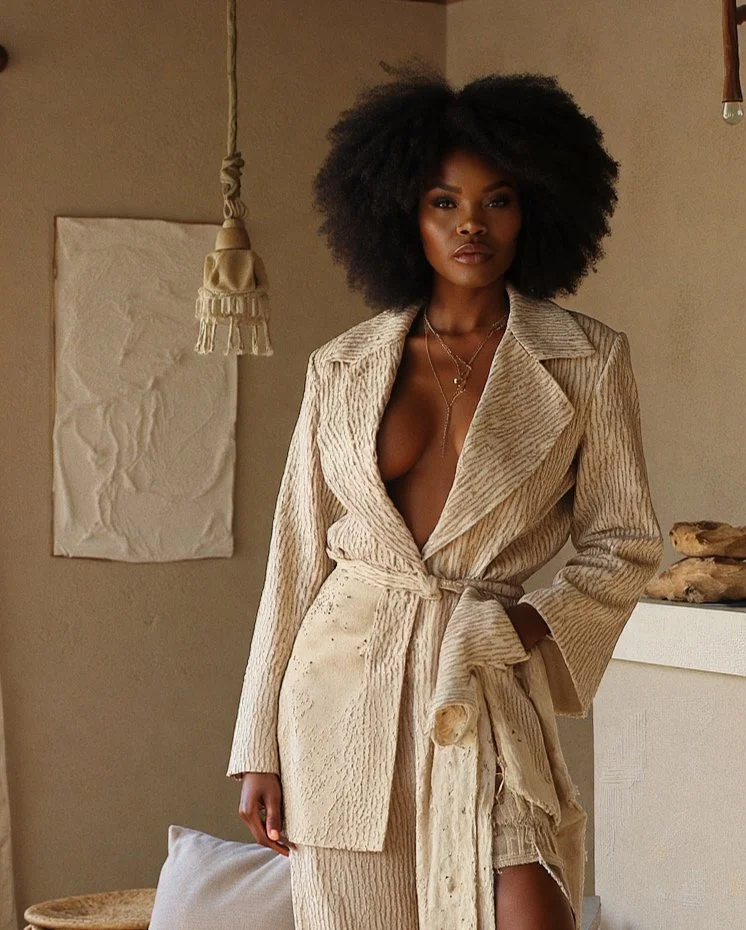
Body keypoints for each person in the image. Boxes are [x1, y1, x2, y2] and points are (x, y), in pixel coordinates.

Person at [226, 60, 664, 930]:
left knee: (531, 908)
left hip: (481, 681)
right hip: (340, 696)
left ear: (535, 208)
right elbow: (295, 556)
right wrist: (257, 745)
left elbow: (625, 543)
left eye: (497, 200)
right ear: (402, 214)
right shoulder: (342, 367)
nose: (472, 224)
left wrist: (517, 626)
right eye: (443, 202)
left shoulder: (585, 358)